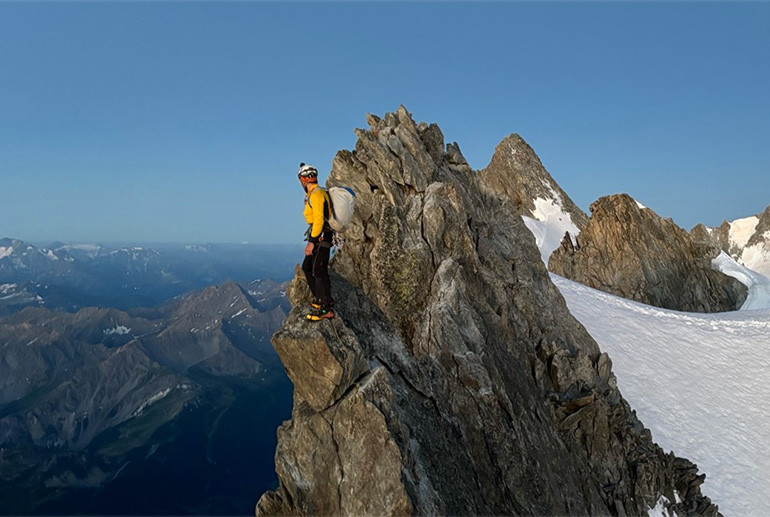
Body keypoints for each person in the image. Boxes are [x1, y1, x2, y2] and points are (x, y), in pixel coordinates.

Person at [298, 163, 335, 321]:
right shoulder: (313, 194)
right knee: (308, 267)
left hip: (321, 236)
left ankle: (326, 307)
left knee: (319, 270)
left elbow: (319, 219)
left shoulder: (317, 194)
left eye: (301, 179)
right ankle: (320, 301)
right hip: (318, 234)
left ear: (304, 179)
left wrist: (312, 242)